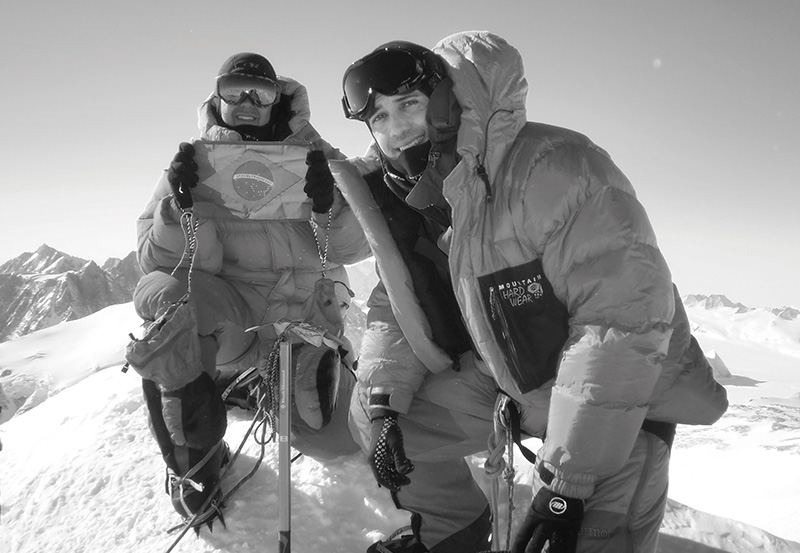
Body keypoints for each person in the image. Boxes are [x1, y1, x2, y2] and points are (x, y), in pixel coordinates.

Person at [334, 32, 729, 553]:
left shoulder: (557, 168)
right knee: (376, 416)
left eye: (408, 104)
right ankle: (456, 530)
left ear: (450, 98)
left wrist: (567, 487)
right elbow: (396, 302)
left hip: (627, 401)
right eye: (379, 118)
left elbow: (619, 327)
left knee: (592, 537)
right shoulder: (415, 198)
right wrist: (385, 402)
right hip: (512, 378)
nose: (397, 130)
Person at [131, 52, 371, 527]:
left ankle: (260, 386)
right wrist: (182, 212)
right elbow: (158, 266)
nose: (245, 102)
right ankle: (195, 466)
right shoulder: (194, 160)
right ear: (217, 95)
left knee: (333, 438)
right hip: (235, 317)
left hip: (303, 321)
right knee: (172, 308)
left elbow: (358, 246)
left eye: (258, 93)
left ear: (275, 99)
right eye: (233, 89)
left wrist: (331, 207)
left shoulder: (318, 155)